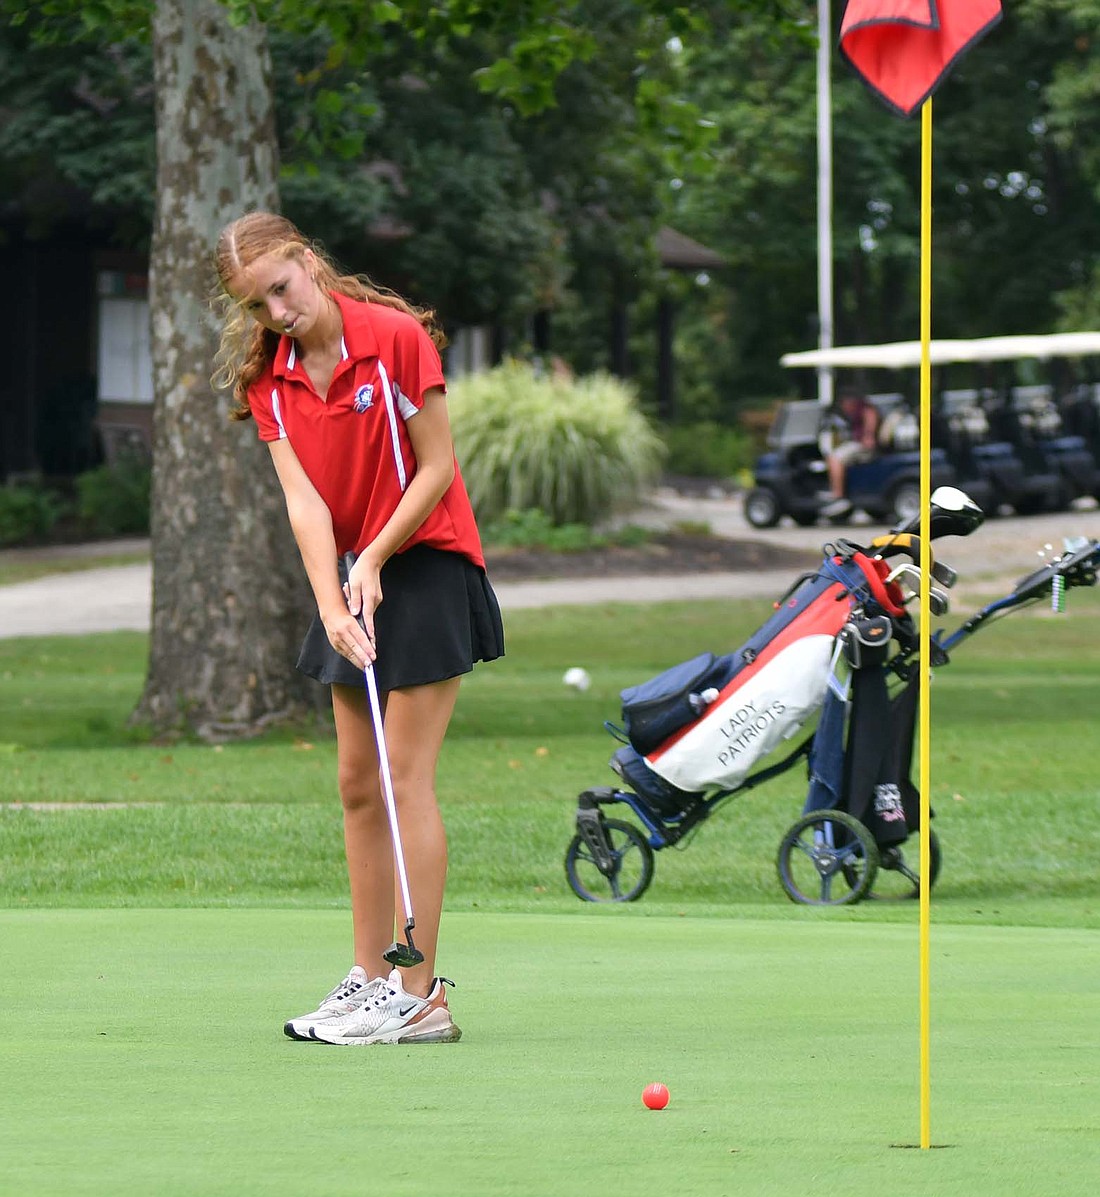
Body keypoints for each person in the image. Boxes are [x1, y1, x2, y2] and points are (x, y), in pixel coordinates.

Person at [212, 211, 504, 1045]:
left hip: (428, 561)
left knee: (402, 774)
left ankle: (420, 996)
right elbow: (304, 503)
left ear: (307, 262)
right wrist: (332, 602)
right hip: (353, 579)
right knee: (355, 782)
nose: (277, 310)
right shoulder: (268, 381)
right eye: (257, 303)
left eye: (283, 286)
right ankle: (368, 977)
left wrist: (372, 557)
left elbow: (438, 466)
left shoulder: (397, 339)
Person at [821, 389, 880, 518]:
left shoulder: (866, 410)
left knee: (835, 457)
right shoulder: (852, 415)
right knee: (834, 455)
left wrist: (868, 436)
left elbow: (870, 425)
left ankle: (838, 494)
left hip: (864, 447)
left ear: (851, 402)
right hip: (857, 444)